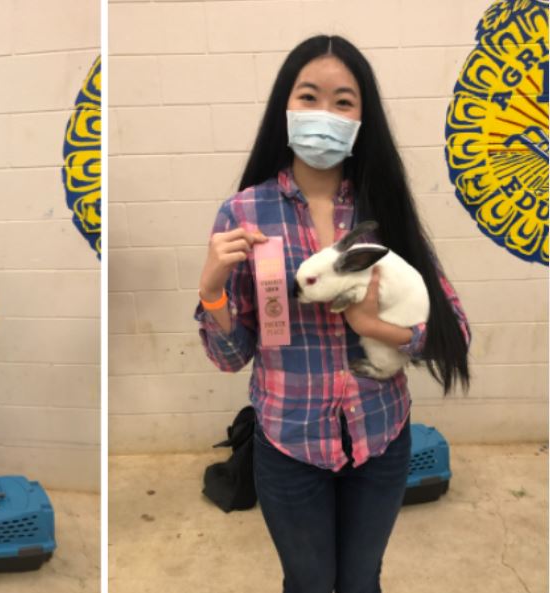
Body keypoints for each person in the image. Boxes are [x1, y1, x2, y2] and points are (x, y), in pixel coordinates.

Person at [195, 35, 470, 593]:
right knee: (309, 582)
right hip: (289, 443)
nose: (325, 114)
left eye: (343, 102)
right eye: (309, 97)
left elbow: (453, 335)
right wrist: (212, 292)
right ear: (285, 108)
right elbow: (232, 357)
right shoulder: (245, 212)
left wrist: (375, 328)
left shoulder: (382, 208)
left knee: (363, 580)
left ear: (363, 118)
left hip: (381, 438)